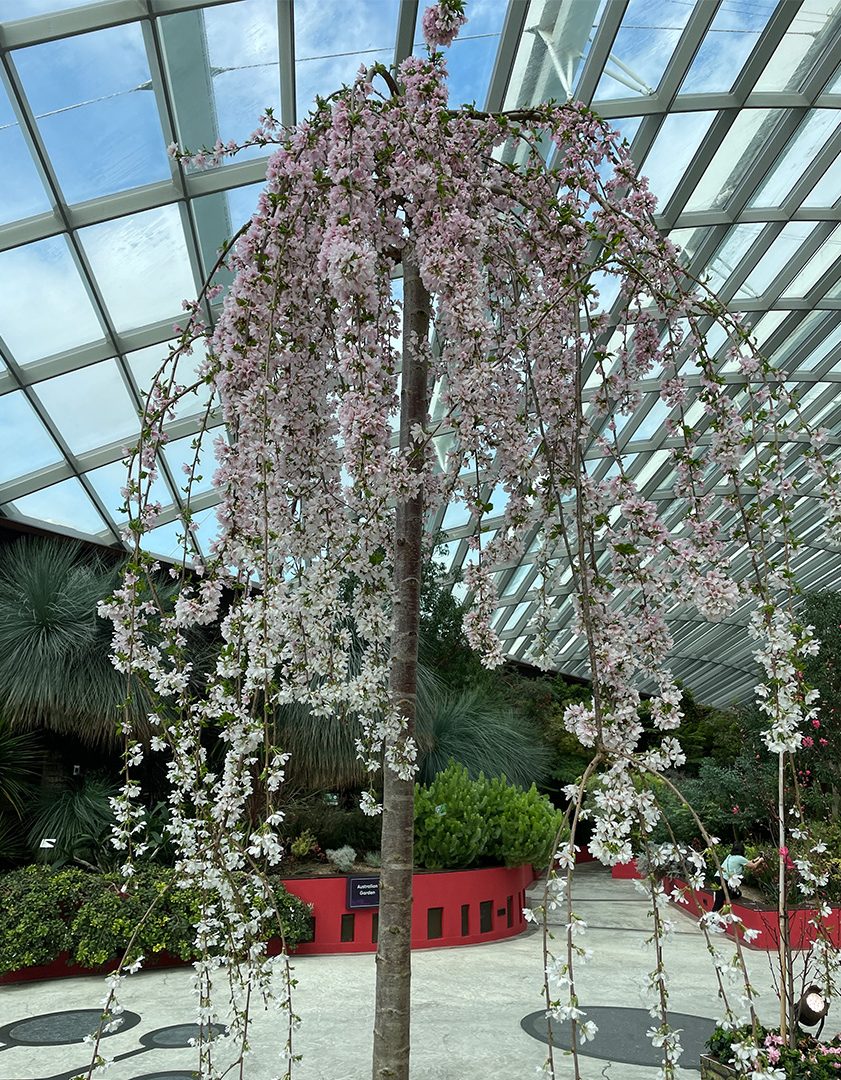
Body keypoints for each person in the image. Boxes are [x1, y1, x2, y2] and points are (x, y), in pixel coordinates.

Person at [712, 843, 764, 912]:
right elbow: (753, 866)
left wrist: (757, 858)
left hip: (717, 877)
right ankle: (712, 918)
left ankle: (715, 913)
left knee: (733, 895)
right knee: (719, 902)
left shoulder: (730, 856)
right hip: (724, 880)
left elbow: (749, 863)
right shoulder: (739, 858)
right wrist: (761, 860)